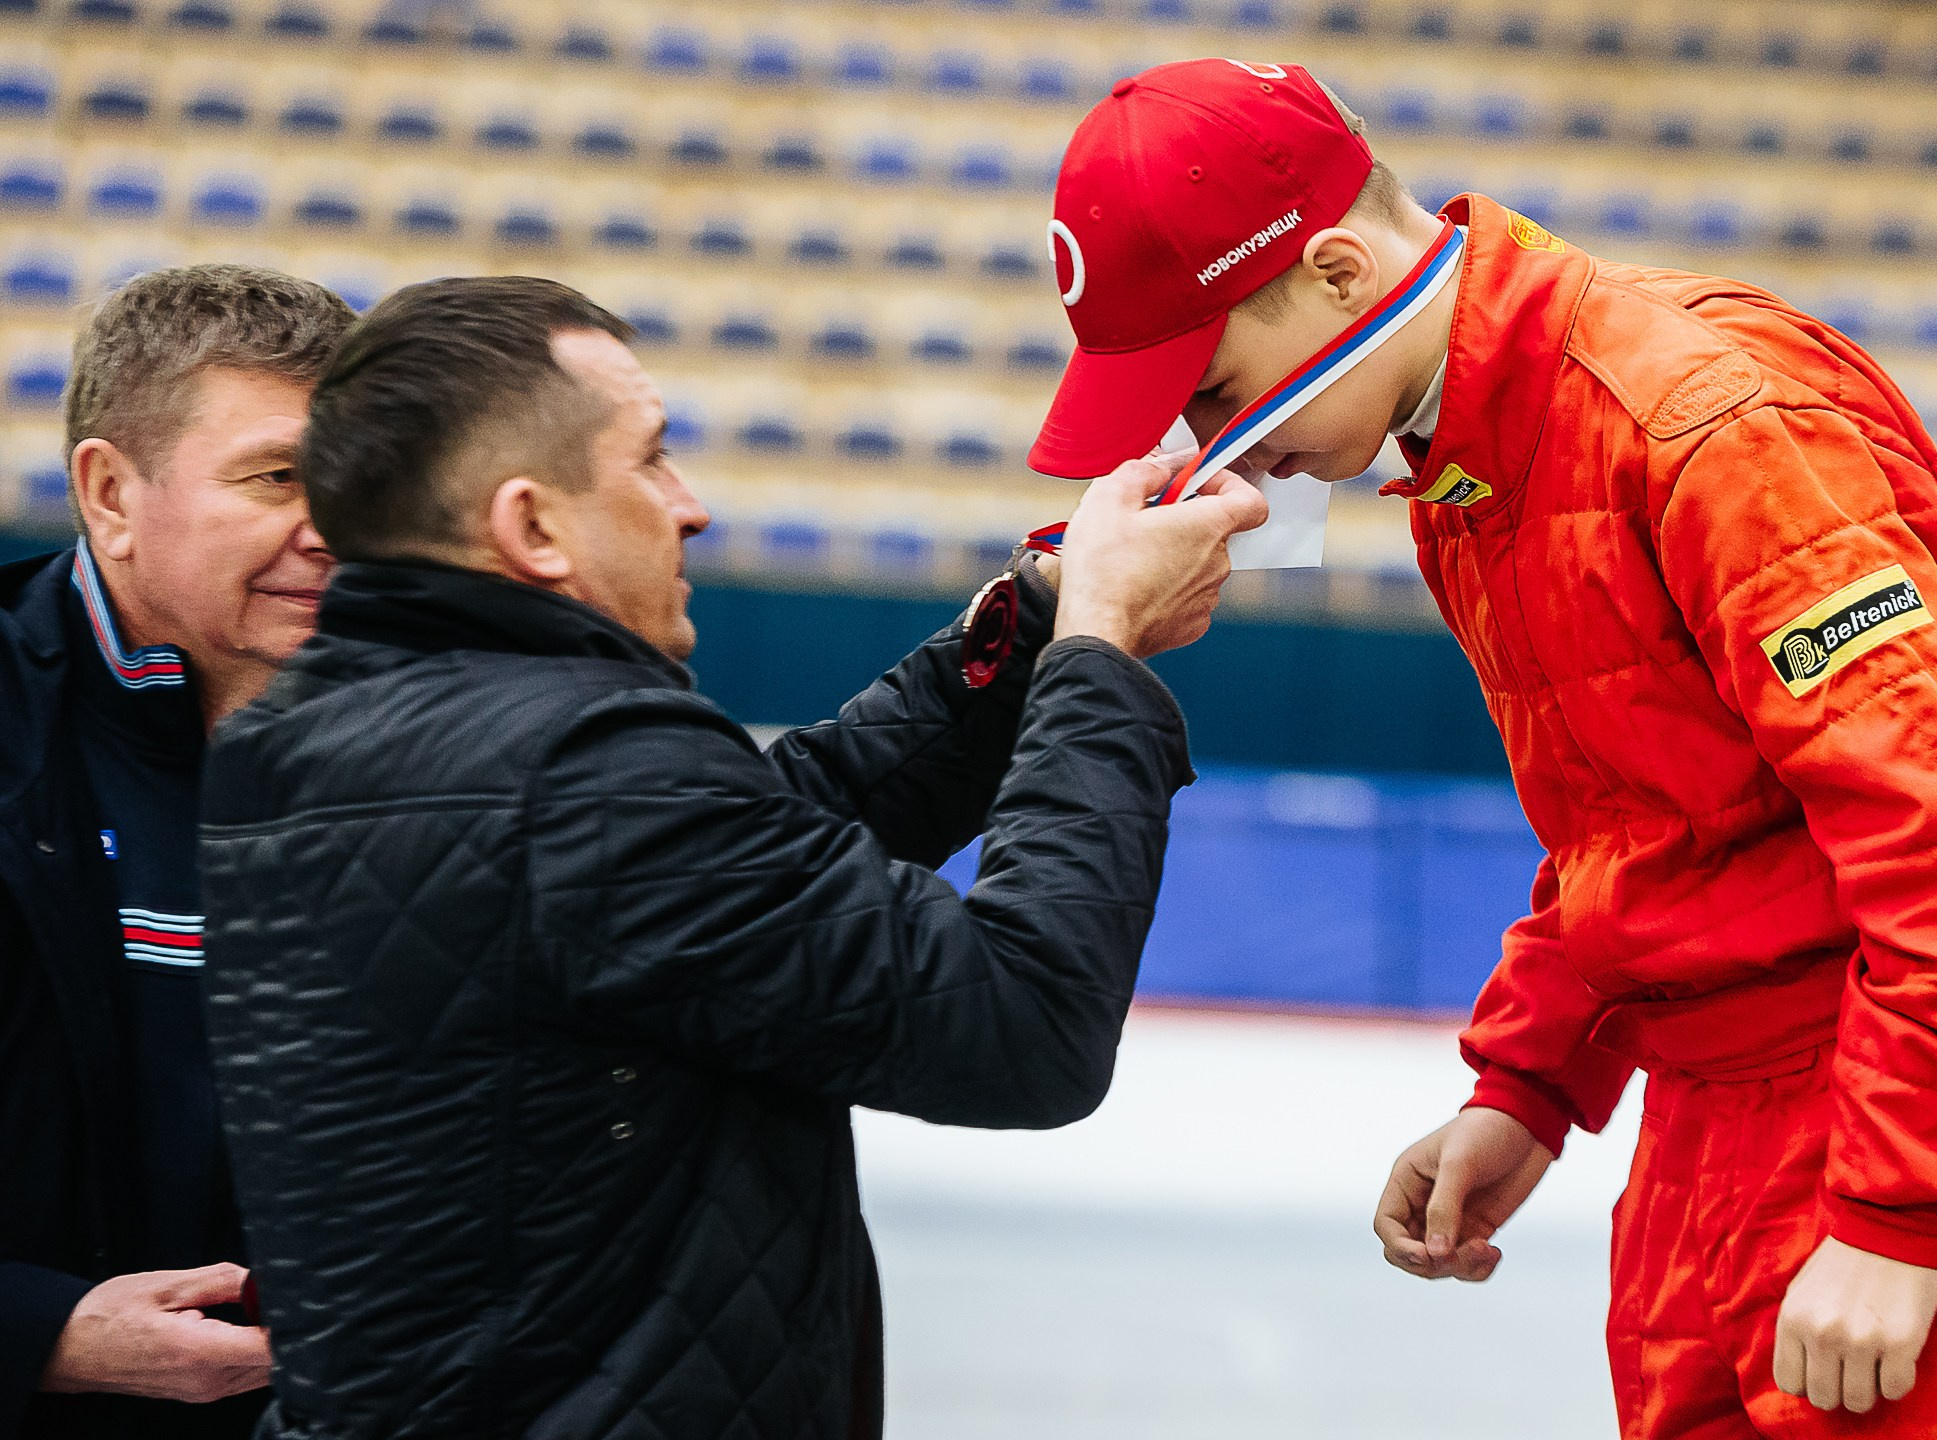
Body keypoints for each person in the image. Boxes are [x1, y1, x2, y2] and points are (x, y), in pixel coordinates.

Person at [1028, 61, 1937, 1439]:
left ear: (1332, 271)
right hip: (1713, 1113)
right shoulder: (1467, 470)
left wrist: (1899, 1207)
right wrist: (1532, 1084)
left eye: (1216, 390)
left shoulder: (1700, 422)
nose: (1218, 446)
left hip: (1904, 1104)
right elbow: (1630, 822)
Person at [196, 276, 1266, 1440]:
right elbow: (1025, 1024)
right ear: (532, 526)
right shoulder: (581, 773)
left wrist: (1029, 624)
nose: (689, 505)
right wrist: (1100, 655)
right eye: (649, 461)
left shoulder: (308, 739)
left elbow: (758, 854)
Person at [0, 263, 353, 1440]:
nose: (333, 528)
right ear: (109, 493)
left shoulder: (426, 741)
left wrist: (953, 685)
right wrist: (40, 1333)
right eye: (276, 477)